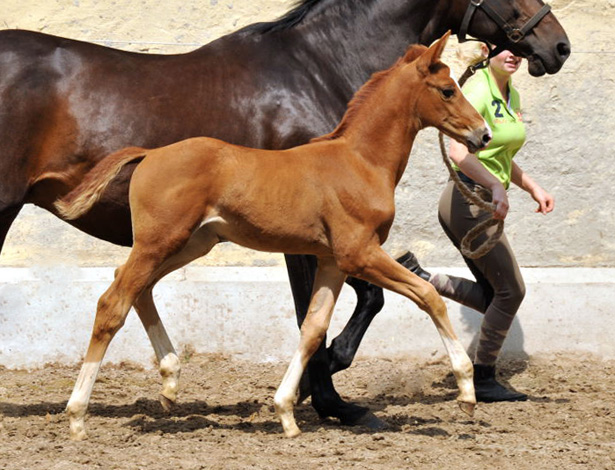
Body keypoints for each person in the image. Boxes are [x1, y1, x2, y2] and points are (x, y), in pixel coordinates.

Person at [400, 44, 554, 402]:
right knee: (511, 291)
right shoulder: (480, 87)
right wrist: (494, 186)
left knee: (494, 296)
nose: (514, 55)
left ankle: (419, 278)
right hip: (467, 201)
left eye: (519, 51)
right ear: (490, 52)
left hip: (481, 199)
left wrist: (532, 186)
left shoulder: (509, 94)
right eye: (506, 49)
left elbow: (498, 153)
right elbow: (458, 153)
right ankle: (483, 378)